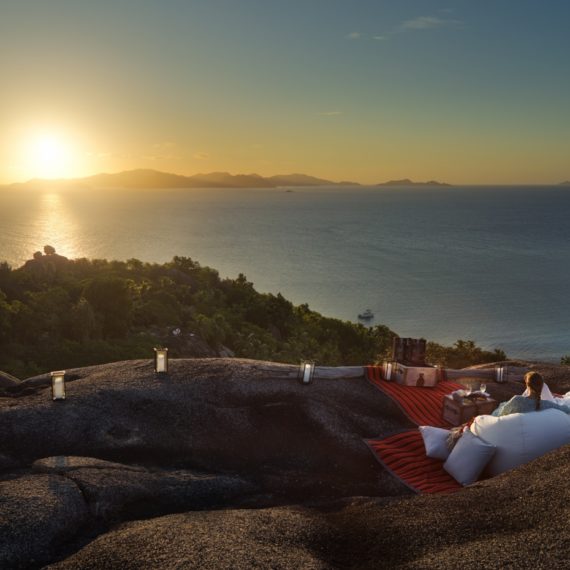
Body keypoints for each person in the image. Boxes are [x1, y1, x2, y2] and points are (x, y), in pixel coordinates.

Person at [492, 371, 570, 417]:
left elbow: (499, 414)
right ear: (542, 386)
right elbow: (566, 410)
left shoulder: (517, 400)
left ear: (527, 385)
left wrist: (501, 404)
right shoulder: (547, 404)